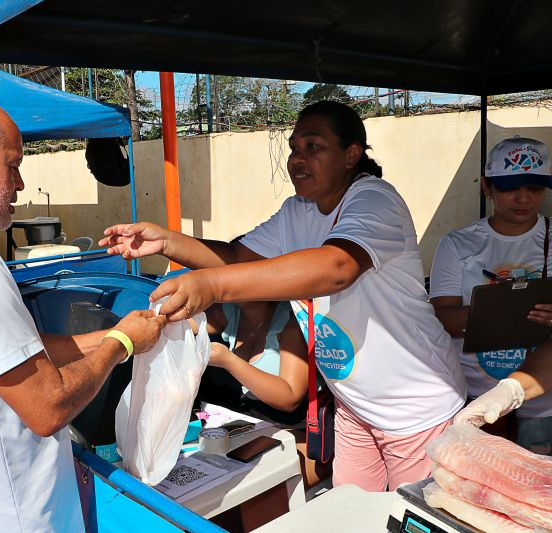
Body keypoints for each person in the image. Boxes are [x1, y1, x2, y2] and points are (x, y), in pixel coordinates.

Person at [101, 100, 467, 492]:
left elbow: (336, 267)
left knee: (409, 514)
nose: (297, 159)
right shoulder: (298, 211)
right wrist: (168, 242)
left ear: (351, 155)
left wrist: (212, 285)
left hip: (416, 411)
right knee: (354, 514)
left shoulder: (375, 200)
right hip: (356, 408)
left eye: (313, 146)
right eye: (294, 148)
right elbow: (238, 257)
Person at [0, 96, 166, 532]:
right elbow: (48, 408)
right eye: (12, 165)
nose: (19, 184)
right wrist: (121, 344)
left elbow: (18, 352)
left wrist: (110, 333)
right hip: (10, 518)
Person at [431, 136, 552, 454]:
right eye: (510, 187)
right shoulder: (458, 244)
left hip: (543, 400)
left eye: (535, 187)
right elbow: (442, 317)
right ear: (487, 186)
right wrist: (510, 309)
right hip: (476, 395)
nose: (524, 198)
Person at [200, 299, 331, 487]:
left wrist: (228, 361)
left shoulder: (292, 321)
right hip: (249, 429)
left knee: (250, 489)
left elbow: (290, 397)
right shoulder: (232, 311)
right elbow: (183, 321)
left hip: (296, 432)